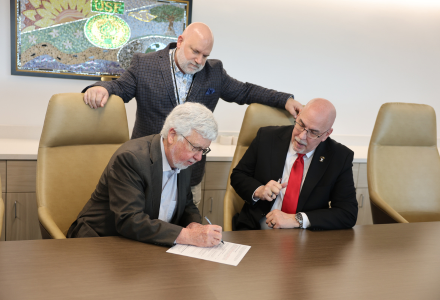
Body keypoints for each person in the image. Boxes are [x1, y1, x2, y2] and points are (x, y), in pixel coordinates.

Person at [81, 22, 303, 208]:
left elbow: (245, 91)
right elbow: (121, 88)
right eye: (195, 52)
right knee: (141, 230)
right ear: (179, 42)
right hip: (146, 169)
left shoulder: (213, 72)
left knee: (186, 232)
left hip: (189, 174)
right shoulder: (144, 64)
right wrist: (104, 89)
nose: (199, 61)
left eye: (205, 55)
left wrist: (284, 99)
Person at [67, 103, 222, 247]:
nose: (199, 157)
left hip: (146, 244)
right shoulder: (131, 159)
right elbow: (130, 220)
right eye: (196, 148)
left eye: (204, 150)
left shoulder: (183, 159)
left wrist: (194, 225)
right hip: (100, 242)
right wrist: (188, 236)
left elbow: (187, 204)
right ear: (172, 135)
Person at [231, 98, 358, 231]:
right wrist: (259, 190)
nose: (302, 136)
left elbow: (347, 213)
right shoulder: (267, 137)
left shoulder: (339, 157)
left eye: (313, 132)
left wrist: (297, 219)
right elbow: (238, 175)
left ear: (326, 134)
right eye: (301, 124)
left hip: (305, 236)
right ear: (298, 115)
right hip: (257, 229)